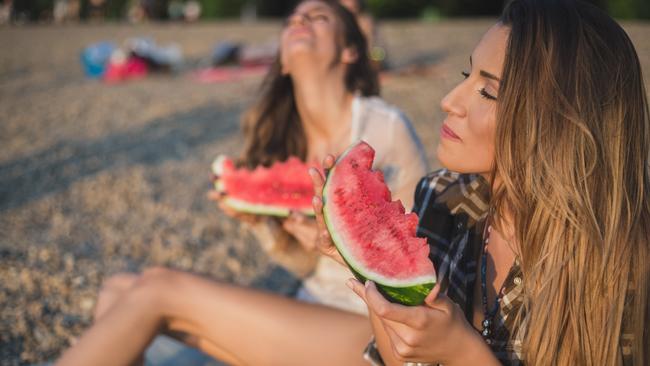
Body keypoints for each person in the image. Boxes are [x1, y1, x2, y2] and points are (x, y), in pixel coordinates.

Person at [56, 1, 427, 365]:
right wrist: (266, 230)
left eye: (318, 17)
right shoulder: (285, 140)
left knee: (158, 286)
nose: (300, 21)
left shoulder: (383, 128)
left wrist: (339, 251)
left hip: (375, 330)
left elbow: (413, 270)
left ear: (349, 50)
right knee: (116, 290)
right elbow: (306, 267)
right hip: (309, 309)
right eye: (293, 18)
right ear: (282, 58)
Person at [309, 0, 649, 364]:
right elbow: (400, 360)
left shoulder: (619, 262)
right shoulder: (443, 195)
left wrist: (464, 353)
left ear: (557, 123)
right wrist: (366, 261)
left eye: (488, 91)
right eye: (464, 76)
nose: (448, 101)